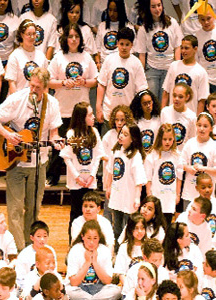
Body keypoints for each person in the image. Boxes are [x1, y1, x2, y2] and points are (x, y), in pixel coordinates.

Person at [0, 67, 62, 250]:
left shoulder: (51, 104)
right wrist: (7, 135)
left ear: (45, 88)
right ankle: (17, 249)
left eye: (38, 87)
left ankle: (30, 247)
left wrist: (57, 142)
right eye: (32, 85)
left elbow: (54, 133)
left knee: (34, 208)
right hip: (16, 161)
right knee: (14, 209)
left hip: (38, 163)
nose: (33, 90)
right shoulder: (17, 99)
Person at [45, 25, 98, 186]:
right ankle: (52, 176)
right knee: (59, 145)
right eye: (70, 36)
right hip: (63, 110)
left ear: (81, 39)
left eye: (76, 36)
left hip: (82, 112)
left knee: (80, 146)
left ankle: (82, 177)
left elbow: (95, 81)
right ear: (65, 39)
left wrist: (84, 82)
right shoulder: (58, 57)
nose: (74, 39)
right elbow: (48, 81)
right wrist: (62, 82)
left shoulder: (87, 57)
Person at [60, 102, 104, 232]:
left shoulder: (94, 132)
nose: (93, 117)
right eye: (90, 115)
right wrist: (77, 177)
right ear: (82, 117)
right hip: (76, 183)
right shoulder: (72, 134)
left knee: (90, 213)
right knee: (76, 213)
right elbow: (67, 157)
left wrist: (92, 176)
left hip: (90, 182)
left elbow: (98, 156)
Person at [96, 27, 147, 131]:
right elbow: (101, 85)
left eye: (127, 44)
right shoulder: (109, 60)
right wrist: (98, 107)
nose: (124, 47)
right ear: (117, 43)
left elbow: (142, 90)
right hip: (109, 112)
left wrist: (139, 112)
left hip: (128, 114)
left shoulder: (136, 63)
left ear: (132, 45)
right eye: (121, 44)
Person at [135, 0, 182, 101]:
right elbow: (142, 55)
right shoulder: (143, 29)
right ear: (148, 8)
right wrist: (141, 77)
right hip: (152, 70)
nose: (157, 9)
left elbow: (178, 47)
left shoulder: (172, 23)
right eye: (153, 7)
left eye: (159, 5)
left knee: (166, 103)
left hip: (169, 69)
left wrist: (177, 67)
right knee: (152, 102)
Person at [106, 123, 147, 237]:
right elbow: (110, 171)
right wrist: (108, 187)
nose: (121, 136)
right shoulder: (115, 152)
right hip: (117, 195)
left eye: (125, 134)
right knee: (117, 227)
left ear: (133, 139)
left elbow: (139, 180)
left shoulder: (135, 155)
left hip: (129, 196)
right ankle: (117, 251)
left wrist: (137, 198)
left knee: (128, 227)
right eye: (121, 133)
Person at [66, 220, 121, 300]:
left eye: (95, 238)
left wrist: (94, 262)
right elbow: (74, 282)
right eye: (88, 238)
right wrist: (87, 262)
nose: (91, 242)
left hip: (100, 289)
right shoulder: (75, 250)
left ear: (99, 238)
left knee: (116, 291)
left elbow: (108, 281)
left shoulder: (104, 250)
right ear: (82, 236)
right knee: (67, 291)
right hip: (80, 289)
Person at [180, 113, 216, 209]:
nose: (201, 129)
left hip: (207, 196)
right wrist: (188, 168)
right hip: (189, 194)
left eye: (205, 126)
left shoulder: (214, 146)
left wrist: (203, 169)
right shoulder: (190, 143)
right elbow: (180, 163)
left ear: (211, 128)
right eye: (199, 125)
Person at [161, 35, 210, 114]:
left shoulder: (201, 72)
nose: (183, 51)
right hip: (172, 115)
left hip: (190, 117)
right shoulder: (173, 66)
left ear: (195, 49)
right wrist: (162, 113)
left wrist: (197, 120)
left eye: (186, 48)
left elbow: (202, 100)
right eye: (182, 48)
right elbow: (166, 92)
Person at [145, 124, 182, 225]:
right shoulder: (153, 155)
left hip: (170, 197)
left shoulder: (177, 155)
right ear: (160, 138)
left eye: (170, 139)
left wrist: (178, 195)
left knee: (167, 224)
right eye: (164, 139)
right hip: (156, 195)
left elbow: (179, 177)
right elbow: (148, 178)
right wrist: (149, 194)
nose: (167, 142)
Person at [5, 19, 49, 95]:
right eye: (28, 34)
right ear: (22, 35)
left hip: (36, 100)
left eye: (34, 34)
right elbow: (12, 83)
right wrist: (17, 103)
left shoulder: (41, 56)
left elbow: (45, 84)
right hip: (19, 100)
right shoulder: (15, 56)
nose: (32, 37)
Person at [15, 221, 57, 286]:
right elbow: (20, 279)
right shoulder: (24, 255)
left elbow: (54, 271)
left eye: (45, 236)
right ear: (32, 237)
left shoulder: (50, 251)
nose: (42, 239)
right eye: (39, 236)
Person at [159, 83, 197, 151]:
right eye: (174, 95)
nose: (176, 99)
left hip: (182, 156)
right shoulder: (165, 112)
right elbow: (160, 136)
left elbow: (192, 141)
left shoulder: (192, 116)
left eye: (180, 97)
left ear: (187, 97)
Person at [95, 0, 133, 65]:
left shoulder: (128, 26)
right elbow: (97, 50)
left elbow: (132, 50)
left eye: (115, 11)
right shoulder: (102, 26)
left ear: (120, 11)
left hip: (122, 63)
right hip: (105, 63)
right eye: (110, 10)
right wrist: (98, 63)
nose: (112, 14)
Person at [114, 212, 147, 277]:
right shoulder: (124, 247)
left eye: (142, 228)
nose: (140, 231)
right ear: (130, 229)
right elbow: (121, 273)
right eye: (136, 228)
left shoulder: (149, 245)